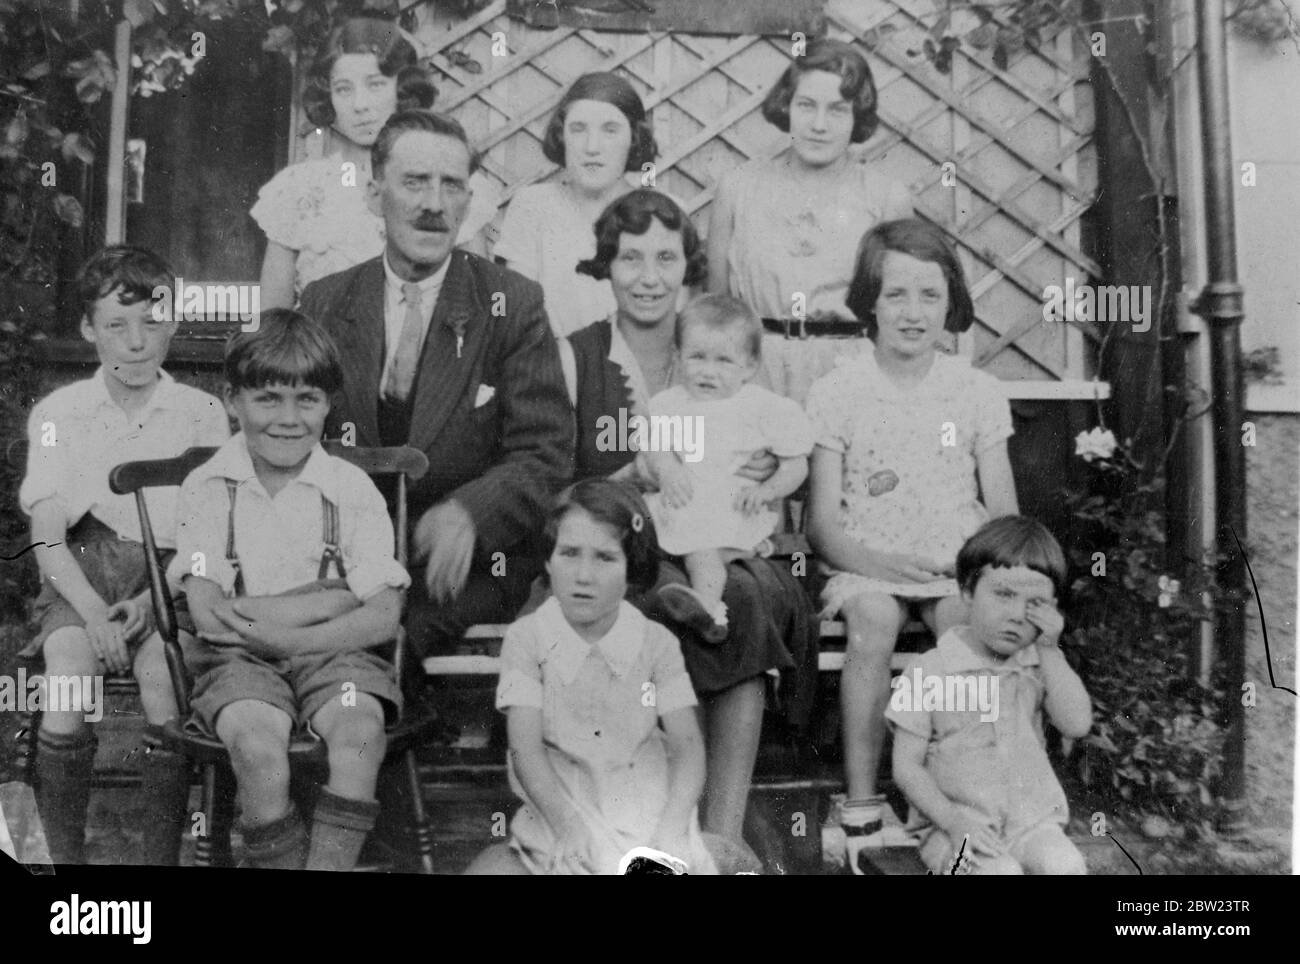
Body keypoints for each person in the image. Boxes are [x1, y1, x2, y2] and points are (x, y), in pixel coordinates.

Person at [565, 190, 817, 864]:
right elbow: (563, 489)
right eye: (630, 257)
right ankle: (650, 825)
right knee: (650, 605)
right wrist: (635, 479)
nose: (649, 275)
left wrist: (769, 474)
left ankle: (724, 835)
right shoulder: (578, 355)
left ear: (688, 267)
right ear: (606, 266)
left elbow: (796, 458)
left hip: (740, 541)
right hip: (641, 547)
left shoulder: (726, 350)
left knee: (736, 597)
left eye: (666, 257)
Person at [300, 110, 573, 659]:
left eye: (452, 185)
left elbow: (544, 451)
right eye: (415, 182)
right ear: (375, 196)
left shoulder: (509, 303)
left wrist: (472, 510)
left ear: (468, 204)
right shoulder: (326, 303)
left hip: (463, 564)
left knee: (382, 647)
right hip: (343, 559)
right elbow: (294, 438)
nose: (434, 204)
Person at [804, 218, 1019, 870]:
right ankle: (865, 802)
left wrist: (982, 579)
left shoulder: (976, 391)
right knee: (874, 622)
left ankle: (958, 807)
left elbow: (1003, 511)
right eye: (895, 294)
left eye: (929, 295)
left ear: (950, 303)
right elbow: (821, 524)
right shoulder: (838, 389)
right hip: (866, 559)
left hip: (957, 564)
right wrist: (879, 564)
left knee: (965, 630)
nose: (913, 312)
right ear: (869, 300)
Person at [168, 309, 410, 871]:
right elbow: (206, 615)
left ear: (329, 404)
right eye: (268, 398)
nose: (288, 418)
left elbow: (381, 615)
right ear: (232, 400)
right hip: (237, 661)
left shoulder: (349, 490)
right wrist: (327, 600)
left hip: (338, 658)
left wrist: (265, 624)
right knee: (257, 750)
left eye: (307, 399)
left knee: (357, 737)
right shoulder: (209, 488)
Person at [19, 245, 230, 865]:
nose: (137, 342)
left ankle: (158, 858)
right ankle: (64, 864)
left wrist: (149, 599)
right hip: (79, 578)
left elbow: (204, 530)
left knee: (165, 683)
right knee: (66, 681)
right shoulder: (61, 413)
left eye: (152, 321)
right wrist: (90, 612)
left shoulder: (202, 413)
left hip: (168, 580)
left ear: (173, 319)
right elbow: (47, 532)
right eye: (116, 325)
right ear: (89, 329)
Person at [465, 480, 717, 875]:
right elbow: (525, 750)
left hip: (644, 812)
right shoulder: (528, 639)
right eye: (568, 554)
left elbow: (688, 749)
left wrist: (670, 830)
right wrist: (567, 825)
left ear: (632, 570)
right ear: (547, 561)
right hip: (562, 810)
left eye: (604, 558)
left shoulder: (655, 644)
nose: (583, 575)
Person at [707, 38, 913, 403]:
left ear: (857, 116)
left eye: (837, 110)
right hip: (755, 376)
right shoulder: (738, 188)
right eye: (806, 106)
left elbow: (903, 313)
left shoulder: (885, 198)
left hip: (852, 376)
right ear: (786, 107)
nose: (819, 125)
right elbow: (716, 311)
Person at [887, 516, 1091, 875]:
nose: (1015, 615)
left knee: (1066, 865)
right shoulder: (928, 671)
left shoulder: (1036, 666)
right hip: (953, 827)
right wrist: (953, 824)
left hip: (1029, 822)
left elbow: (1076, 724)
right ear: (967, 591)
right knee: (1000, 874)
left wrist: (1050, 649)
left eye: (1034, 605)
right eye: (1003, 595)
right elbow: (906, 767)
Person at [251, 17, 499, 308]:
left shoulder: (450, 183)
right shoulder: (298, 188)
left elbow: (479, 313)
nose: (359, 104)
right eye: (344, 89)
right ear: (328, 95)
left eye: (375, 85)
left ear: (402, 90)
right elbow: (272, 324)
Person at [642, 294, 813, 642]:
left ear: (749, 366)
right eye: (697, 357)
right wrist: (668, 468)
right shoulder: (670, 404)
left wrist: (767, 490)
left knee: (702, 555)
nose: (708, 371)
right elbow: (653, 446)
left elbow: (796, 466)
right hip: (683, 504)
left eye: (723, 361)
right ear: (678, 357)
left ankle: (707, 609)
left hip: (731, 510)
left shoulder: (761, 408)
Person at [494, 72, 660, 337]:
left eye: (610, 130)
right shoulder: (533, 206)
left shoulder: (662, 213)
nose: (592, 147)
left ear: (634, 138)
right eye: (578, 129)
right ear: (562, 137)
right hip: (547, 367)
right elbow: (513, 313)